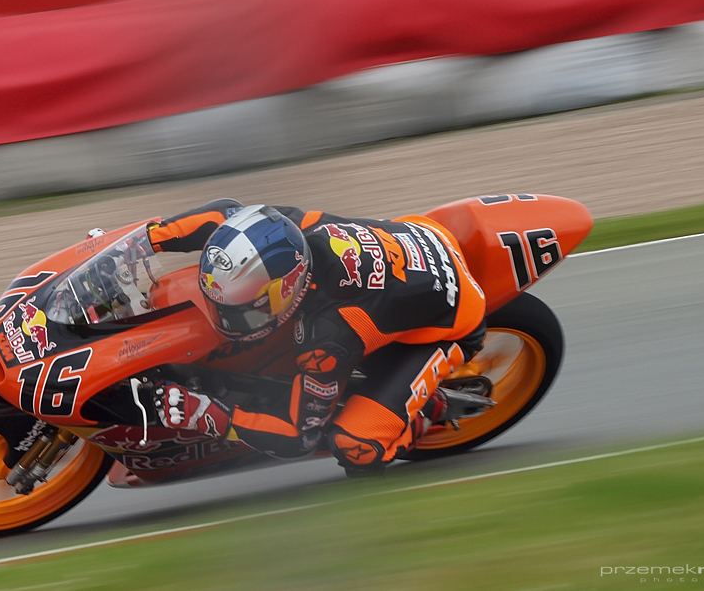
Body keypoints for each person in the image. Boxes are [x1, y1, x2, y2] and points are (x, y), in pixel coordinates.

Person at [147, 199, 492, 475]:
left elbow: (299, 437)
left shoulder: (326, 339)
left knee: (355, 447)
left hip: (449, 321)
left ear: (286, 290)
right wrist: (146, 240)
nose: (224, 319)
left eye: (244, 311)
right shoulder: (284, 226)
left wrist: (205, 414)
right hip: (422, 237)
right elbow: (224, 213)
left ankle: (427, 409)